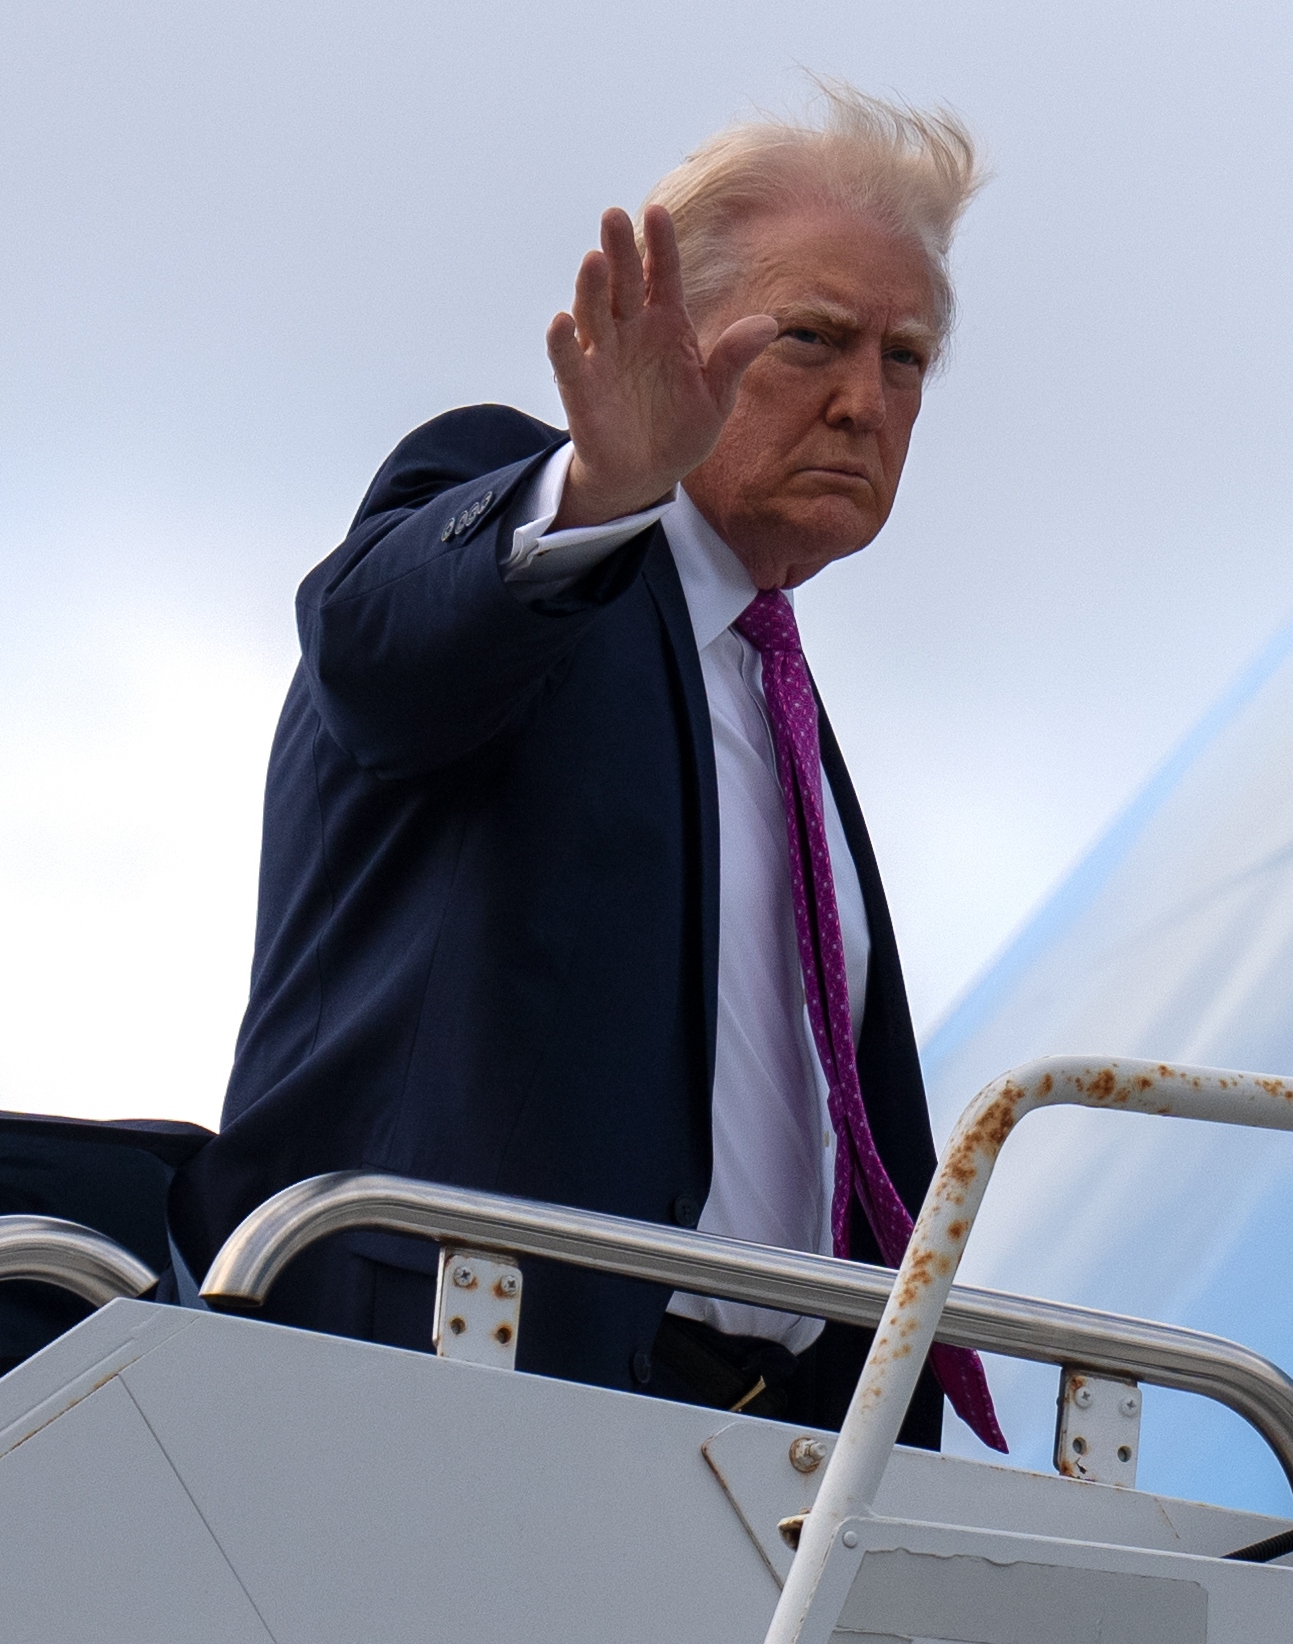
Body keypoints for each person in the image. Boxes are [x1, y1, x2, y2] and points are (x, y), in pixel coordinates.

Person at [169, 84, 1002, 1451]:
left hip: (760, 1450)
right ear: (673, 341)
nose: (863, 401)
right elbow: (377, 656)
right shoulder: (532, 529)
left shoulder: (767, 676)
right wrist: (596, 492)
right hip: (446, 1399)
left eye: (905, 359)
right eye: (815, 339)